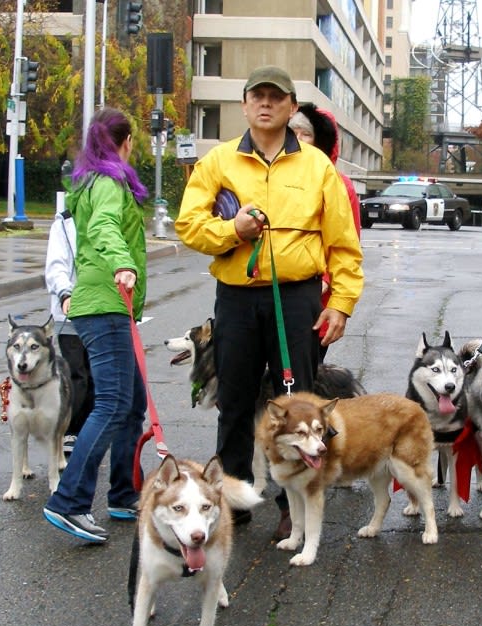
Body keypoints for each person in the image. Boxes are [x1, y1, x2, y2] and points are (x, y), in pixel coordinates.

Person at [174, 66, 364, 540]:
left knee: (297, 407)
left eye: (275, 97)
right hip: (236, 300)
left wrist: (340, 302)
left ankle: (292, 503)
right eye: (256, 95)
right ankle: (231, 500)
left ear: (291, 107)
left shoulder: (318, 167)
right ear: (244, 105)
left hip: (296, 299)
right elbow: (189, 224)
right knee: (234, 403)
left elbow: (343, 243)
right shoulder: (217, 162)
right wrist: (231, 231)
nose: (265, 103)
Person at [43, 106, 150, 543]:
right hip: (105, 302)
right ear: (124, 143)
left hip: (101, 304)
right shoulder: (109, 182)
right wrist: (124, 264)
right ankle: (69, 502)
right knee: (112, 403)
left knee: (130, 401)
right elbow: (106, 227)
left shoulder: (88, 181)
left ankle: (123, 494)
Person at [288, 103, 361, 361]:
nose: (298, 139)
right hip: (271, 297)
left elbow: (347, 247)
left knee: (301, 385)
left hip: (314, 298)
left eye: (305, 133)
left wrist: (331, 291)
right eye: (292, 131)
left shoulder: (340, 185)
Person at [44, 209, 94, 455]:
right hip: (71, 312)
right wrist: (65, 292)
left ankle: (88, 428)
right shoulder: (64, 223)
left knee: (96, 375)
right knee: (76, 374)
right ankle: (70, 430)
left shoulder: (108, 214)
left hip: (101, 310)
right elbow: (56, 264)